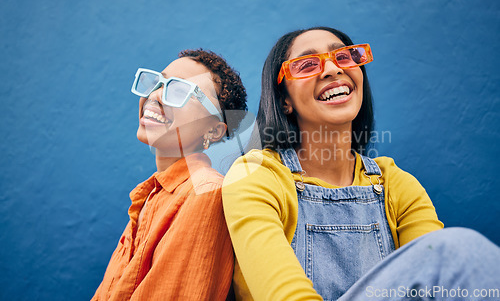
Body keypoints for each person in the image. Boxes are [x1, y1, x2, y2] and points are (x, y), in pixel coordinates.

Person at [222, 27, 500, 300]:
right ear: (285, 101)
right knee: (460, 248)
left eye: (344, 57)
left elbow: (437, 284)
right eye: (307, 65)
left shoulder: (396, 184)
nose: (332, 69)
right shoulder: (256, 176)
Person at [92, 49, 247, 300]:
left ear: (215, 130)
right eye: (157, 83)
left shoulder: (205, 193)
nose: (155, 96)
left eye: (179, 91)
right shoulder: (152, 196)